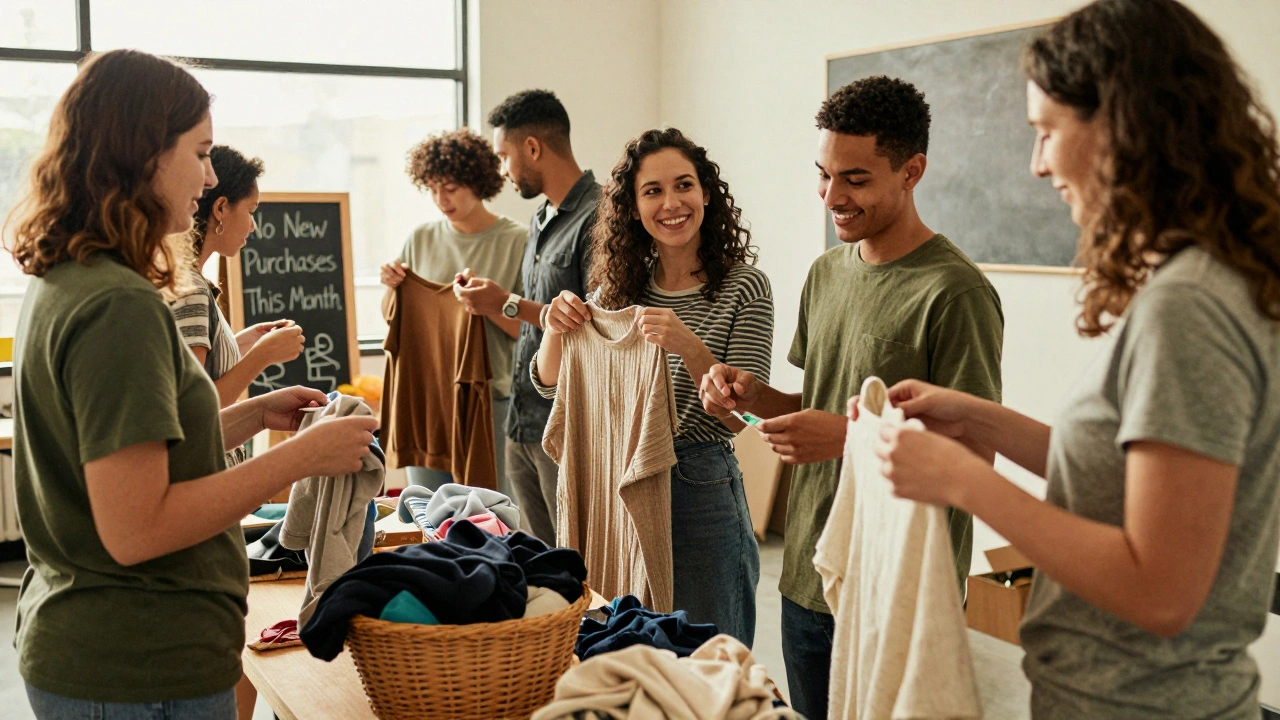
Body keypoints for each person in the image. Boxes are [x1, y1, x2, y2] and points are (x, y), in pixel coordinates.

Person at [871, 1, 1280, 717]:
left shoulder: (1188, 306)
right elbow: (1126, 480)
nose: (1037, 165)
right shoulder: (1212, 281)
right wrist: (981, 419)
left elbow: (1160, 591)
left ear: (1123, 127)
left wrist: (966, 481)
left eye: (1046, 131)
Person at [3, 49, 378, 719]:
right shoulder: (118, 305)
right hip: (136, 668)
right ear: (144, 153)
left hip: (108, 653)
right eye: (200, 153)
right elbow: (138, 527)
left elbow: (136, 460)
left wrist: (253, 415)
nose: (208, 178)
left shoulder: (72, 278)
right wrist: (301, 458)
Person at [700, 76, 1005, 718]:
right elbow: (816, 401)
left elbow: (976, 455)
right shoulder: (826, 273)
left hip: (900, 587)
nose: (831, 196)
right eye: (824, 174)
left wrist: (845, 438)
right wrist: (753, 396)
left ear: (912, 171)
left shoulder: (956, 293)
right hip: (809, 575)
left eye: (855, 179)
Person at [533, 128, 773, 645]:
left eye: (684, 185)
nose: (671, 204)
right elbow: (552, 386)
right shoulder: (618, 288)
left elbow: (745, 418)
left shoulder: (744, 285)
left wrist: (688, 345)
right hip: (621, 479)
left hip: (699, 487)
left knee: (710, 654)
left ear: (706, 192)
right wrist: (555, 327)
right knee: (635, 649)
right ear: (634, 208)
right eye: (652, 191)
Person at [453, 89, 602, 544]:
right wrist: (496, 301)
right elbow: (538, 317)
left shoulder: (600, 217)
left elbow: (596, 324)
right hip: (522, 421)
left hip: (567, 428)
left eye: (504, 156)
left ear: (532, 147)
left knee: (578, 558)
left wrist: (505, 302)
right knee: (538, 558)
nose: (503, 170)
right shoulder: (539, 220)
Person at [378, 128, 528, 494]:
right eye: (432, 188)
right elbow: (393, 318)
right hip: (428, 399)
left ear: (477, 181)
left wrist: (488, 305)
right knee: (428, 511)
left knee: (488, 512)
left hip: (489, 398)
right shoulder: (421, 238)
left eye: (450, 187)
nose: (441, 199)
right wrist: (392, 286)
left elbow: (531, 332)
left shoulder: (518, 241)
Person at [170, 145, 305, 467]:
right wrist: (262, 356)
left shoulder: (189, 281)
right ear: (220, 208)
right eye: (250, 210)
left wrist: (242, 343)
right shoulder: (191, 291)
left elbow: (198, 369)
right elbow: (195, 408)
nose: (253, 225)